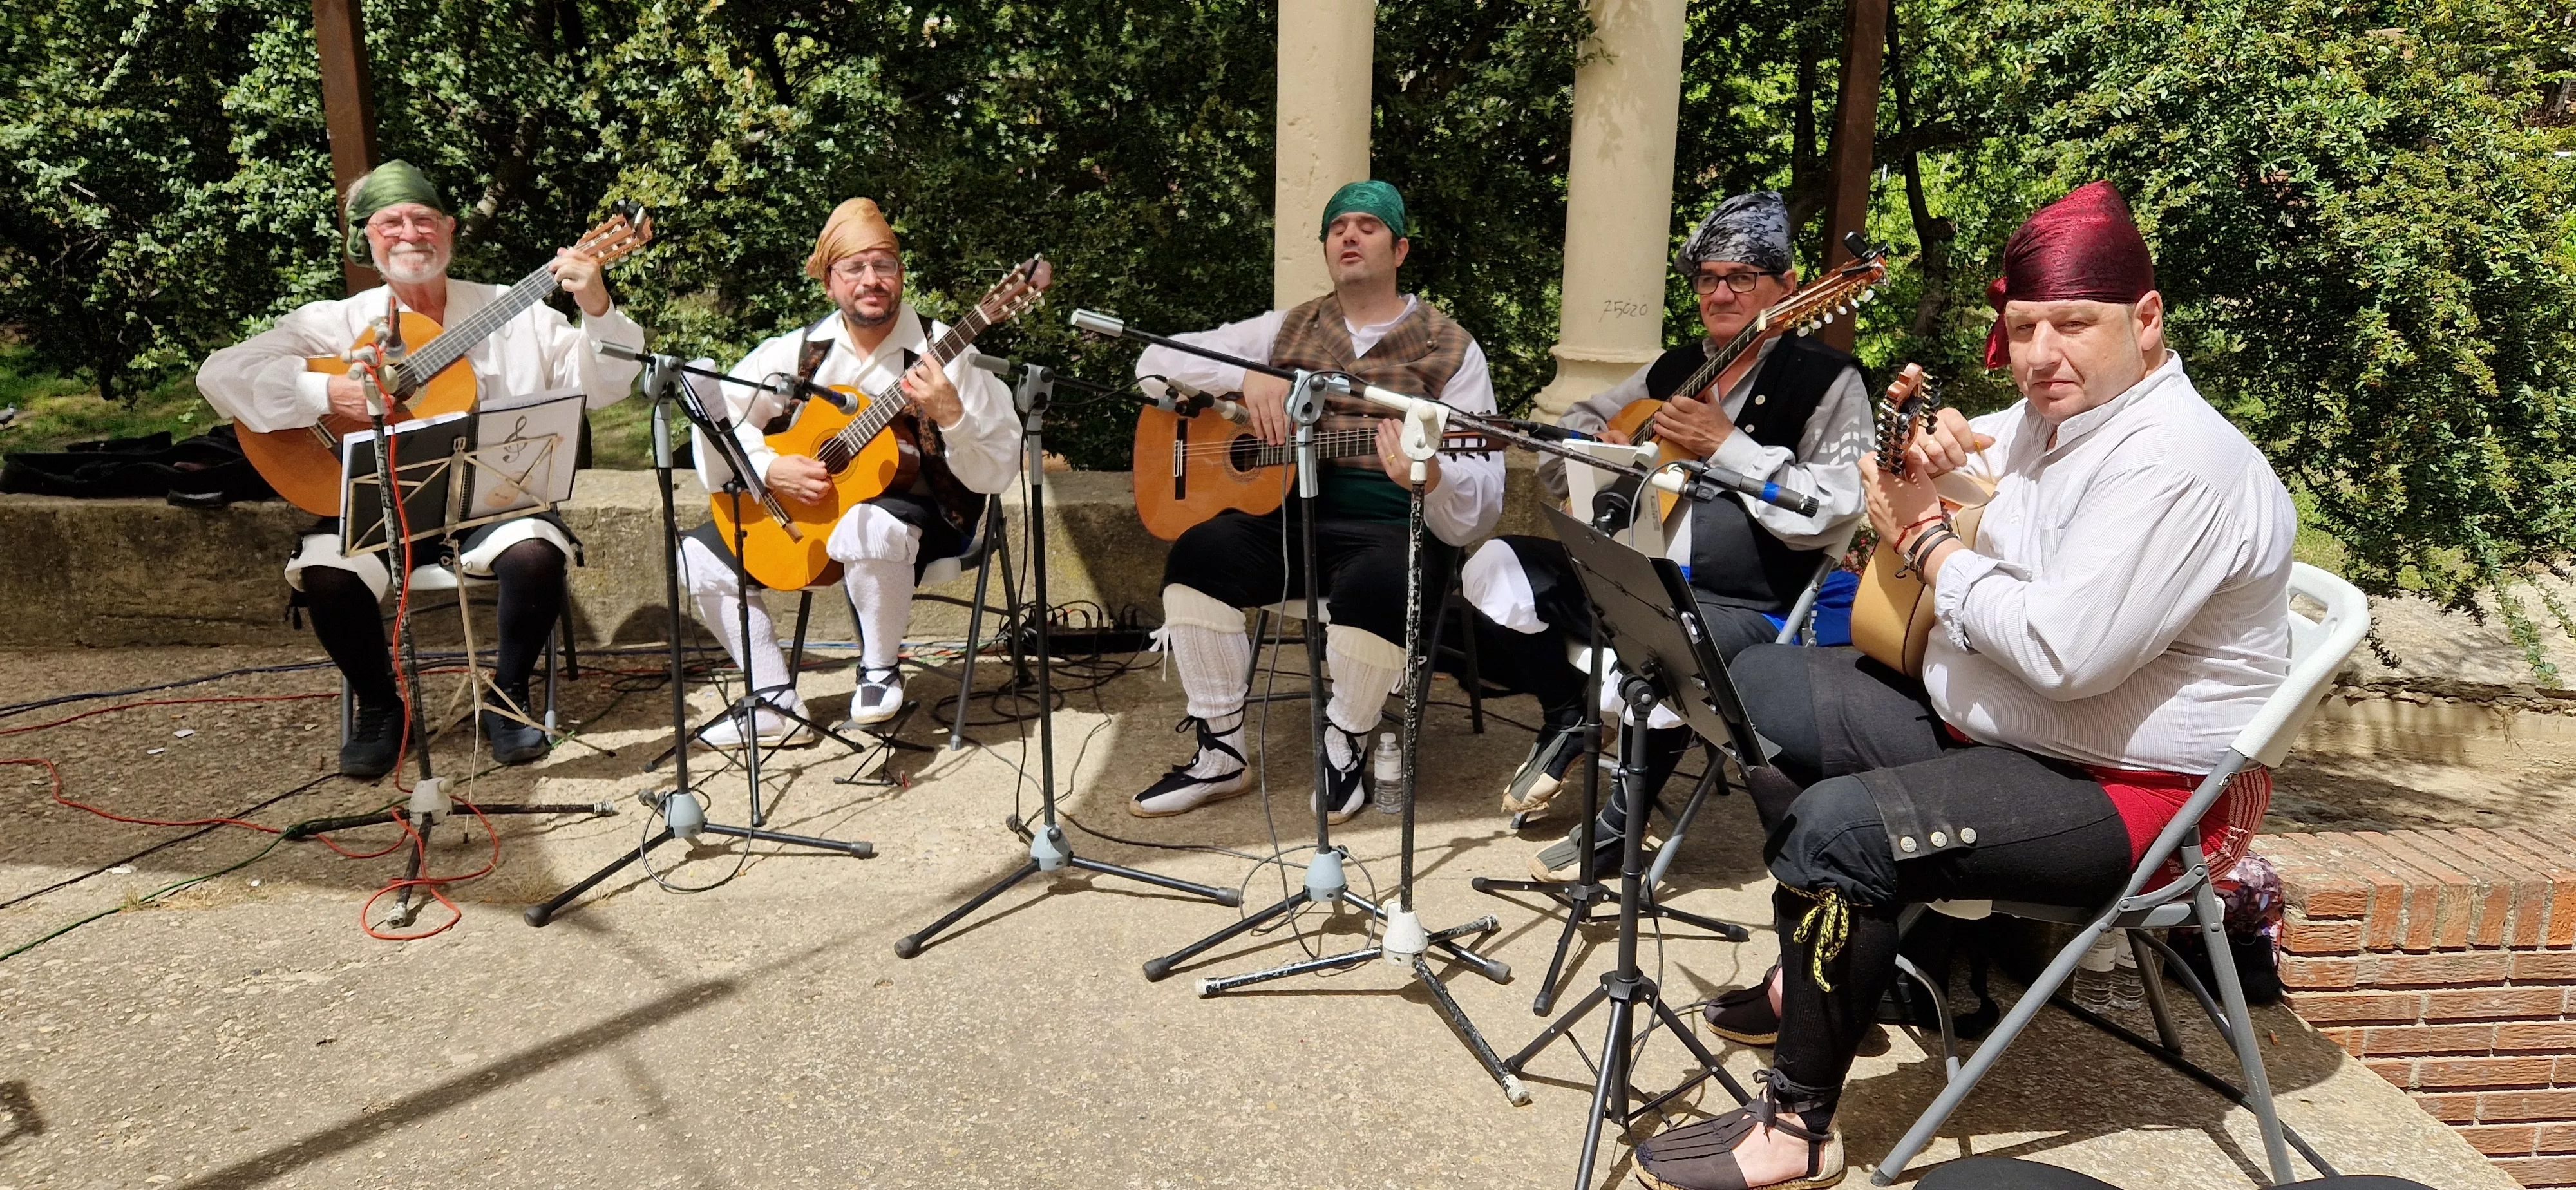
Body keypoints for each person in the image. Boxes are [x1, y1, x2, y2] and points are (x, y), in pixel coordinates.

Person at [1630, 182, 2292, 1190]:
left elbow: (2066, 656)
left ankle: (1801, 1122)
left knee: (1840, 830)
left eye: (2074, 325)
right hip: (1997, 731)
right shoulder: (2054, 414)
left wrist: (1932, 539)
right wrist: (1928, 450)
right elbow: (1931, 468)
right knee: (1746, 683)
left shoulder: (2181, 465)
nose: (2041, 355)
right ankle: (1830, 956)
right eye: (2023, 328)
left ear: (2147, 321)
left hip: (2132, 796)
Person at [1459, 191, 1870, 882]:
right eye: (1708, 277)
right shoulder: (1675, 367)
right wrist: (1599, 442)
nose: (1720, 292)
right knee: (1496, 566)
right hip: (1630, 571)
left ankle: (1627, 815)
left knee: (1664, 635)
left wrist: (1729, 446)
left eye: (1741, 277)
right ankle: (1570, 715)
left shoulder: (1829, 382)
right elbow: (1575, 438)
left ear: (1789, 289)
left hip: (1743, 599)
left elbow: (1834, 509)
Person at [198, 160, 644, 778]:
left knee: (537, 551)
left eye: (424, 219)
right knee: (325, 572)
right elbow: (218, 375)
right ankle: (383, 708)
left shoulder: (519, 315)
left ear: (450, 230)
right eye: (391, 222)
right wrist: (330, 397)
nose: (410, 233)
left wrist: (595, 303)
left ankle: (508, 697)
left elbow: (610, 384)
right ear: (367, 238)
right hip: (377, 511)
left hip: (491, 506)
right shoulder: (332, 323)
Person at [1127, 180, 1502, 823]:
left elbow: (1485, 499)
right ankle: (1220, 753)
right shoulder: (1284, 328)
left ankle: (1345, 744)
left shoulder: (1451, 348)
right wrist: (1247, 375)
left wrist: (1431, 477)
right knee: (1198, 556)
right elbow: (1152, 362)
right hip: (1286, 518)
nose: (1349, 236)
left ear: (1400, 249)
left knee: (1384, 582)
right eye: (1337, 228)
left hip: (1394, 525)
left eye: (1367, 226)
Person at [678, 198, 1018, 746]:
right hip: (814, 517)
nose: (871, 280)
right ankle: (770, 701)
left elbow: (999, 466)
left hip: (927, 515)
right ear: (830, 283)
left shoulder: (946, 353)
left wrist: (952, 414)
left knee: (866, 524)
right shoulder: (795, 353)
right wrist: (768, 468)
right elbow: (719, 418)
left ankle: (879, 671)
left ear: (901, 275)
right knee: (698, 555)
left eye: (884, 264)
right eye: (854, 268)